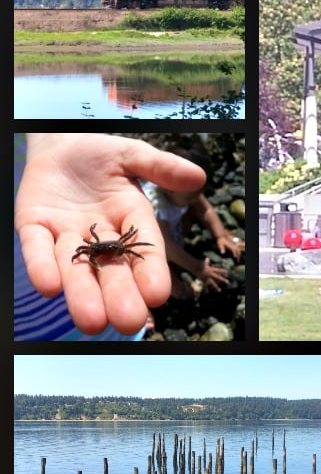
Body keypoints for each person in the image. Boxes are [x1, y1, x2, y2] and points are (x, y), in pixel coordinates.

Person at [14, 132, 209, 340]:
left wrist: (51, 139)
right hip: (24, 311)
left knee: (127, 297)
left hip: (109, 305)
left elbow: (133, 239)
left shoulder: (120, 245)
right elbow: (81, 251)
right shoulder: (92, 248)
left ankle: (140, 310)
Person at [140, 146, 242, 305]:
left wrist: (220, 235)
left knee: (194, 210)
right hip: (153, 242)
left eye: (198, 194)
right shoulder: (156, 206)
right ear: (167, 188)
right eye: (190, 197)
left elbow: (206, 210)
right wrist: (198, 268)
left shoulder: (185, 190)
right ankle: (174, 287)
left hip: (172, 230)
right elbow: (167, 246)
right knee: (154, 262)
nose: (195, 199)